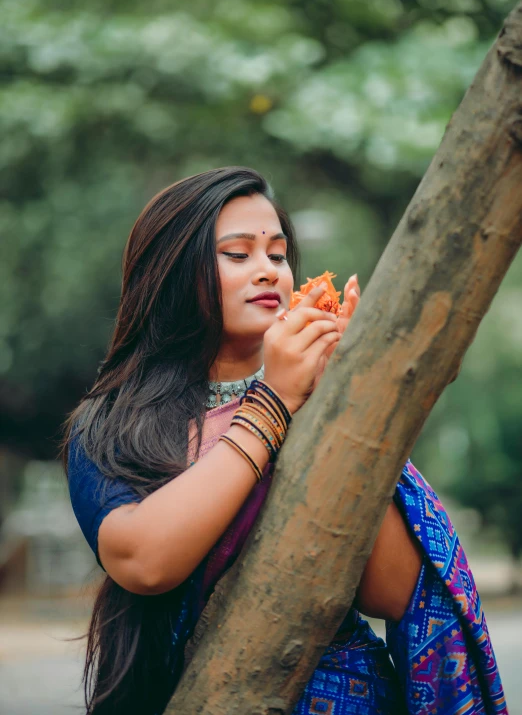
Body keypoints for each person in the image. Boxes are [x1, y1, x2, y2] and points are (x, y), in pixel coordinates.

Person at [62, 166, 506, 715]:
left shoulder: (319, 402)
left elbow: (391, 592)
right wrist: (272, 402)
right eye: (238, 254)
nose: (269, 271)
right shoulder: (114, 421)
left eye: (277, 254)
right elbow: (143, 562)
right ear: (173, 270)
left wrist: (347, 403)